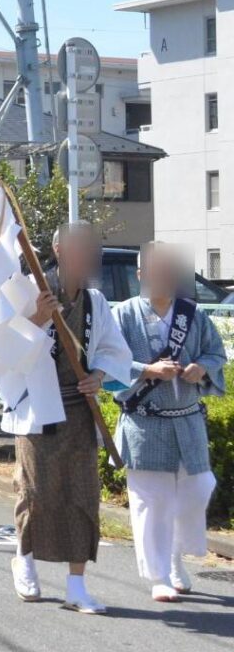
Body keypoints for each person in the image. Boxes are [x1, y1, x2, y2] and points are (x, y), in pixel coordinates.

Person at [7, 222, 132, 614]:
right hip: (37, 406)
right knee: (37, 492)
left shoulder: (96, 302)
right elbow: (3, 350)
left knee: (83, 495)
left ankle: (77, 584)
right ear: (58, 250)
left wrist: (98, 376)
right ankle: (24, 558)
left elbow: (115, 351)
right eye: (78, 249)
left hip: (79, 411)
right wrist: (38, 319)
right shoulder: (29, 289)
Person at [113, 243, 228, 602]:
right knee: (151, 502)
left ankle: (176, 556)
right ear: (142, 275)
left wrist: (202, 368)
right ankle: (160, 574)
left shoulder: (193, 315)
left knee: (197, 490)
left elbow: (215, 352)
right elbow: (107, 362)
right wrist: (146, 370)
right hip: (145, 424)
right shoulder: (125, 315)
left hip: (187, 422)